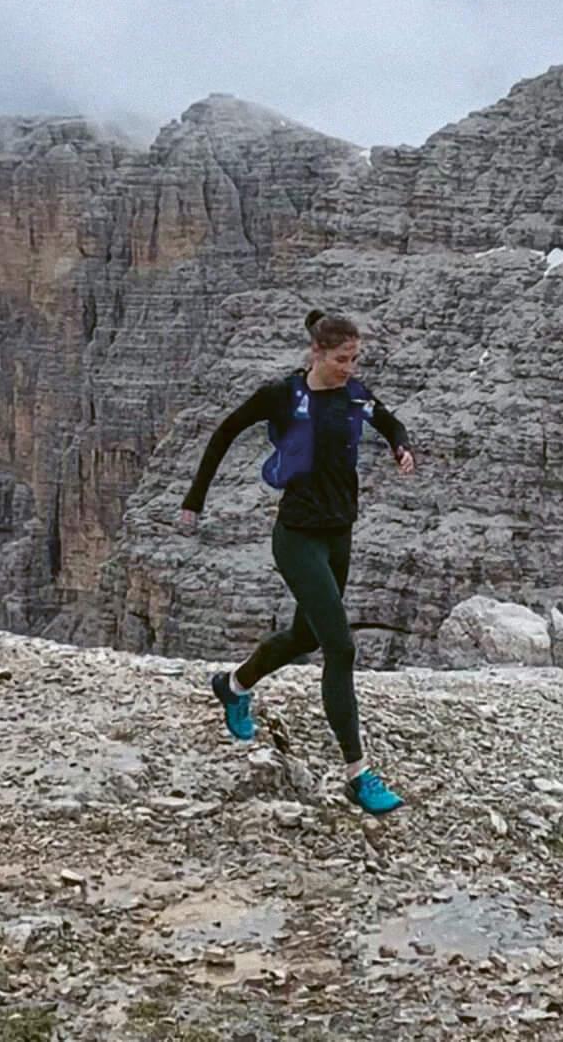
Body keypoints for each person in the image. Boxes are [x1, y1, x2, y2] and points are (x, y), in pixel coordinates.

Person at [178, 309, 417, 814]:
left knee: (305, 636)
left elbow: (388, 419)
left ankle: (233, 684)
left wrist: (401, 447)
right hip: (297, 538)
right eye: (341, 359)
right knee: (340, 646)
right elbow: (225, 432)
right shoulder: (283, 396)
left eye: (355, 359)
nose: (350, 368)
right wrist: (194, 500)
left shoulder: (355, 394)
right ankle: (358, 774)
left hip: (339, 536)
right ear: (316, 353)